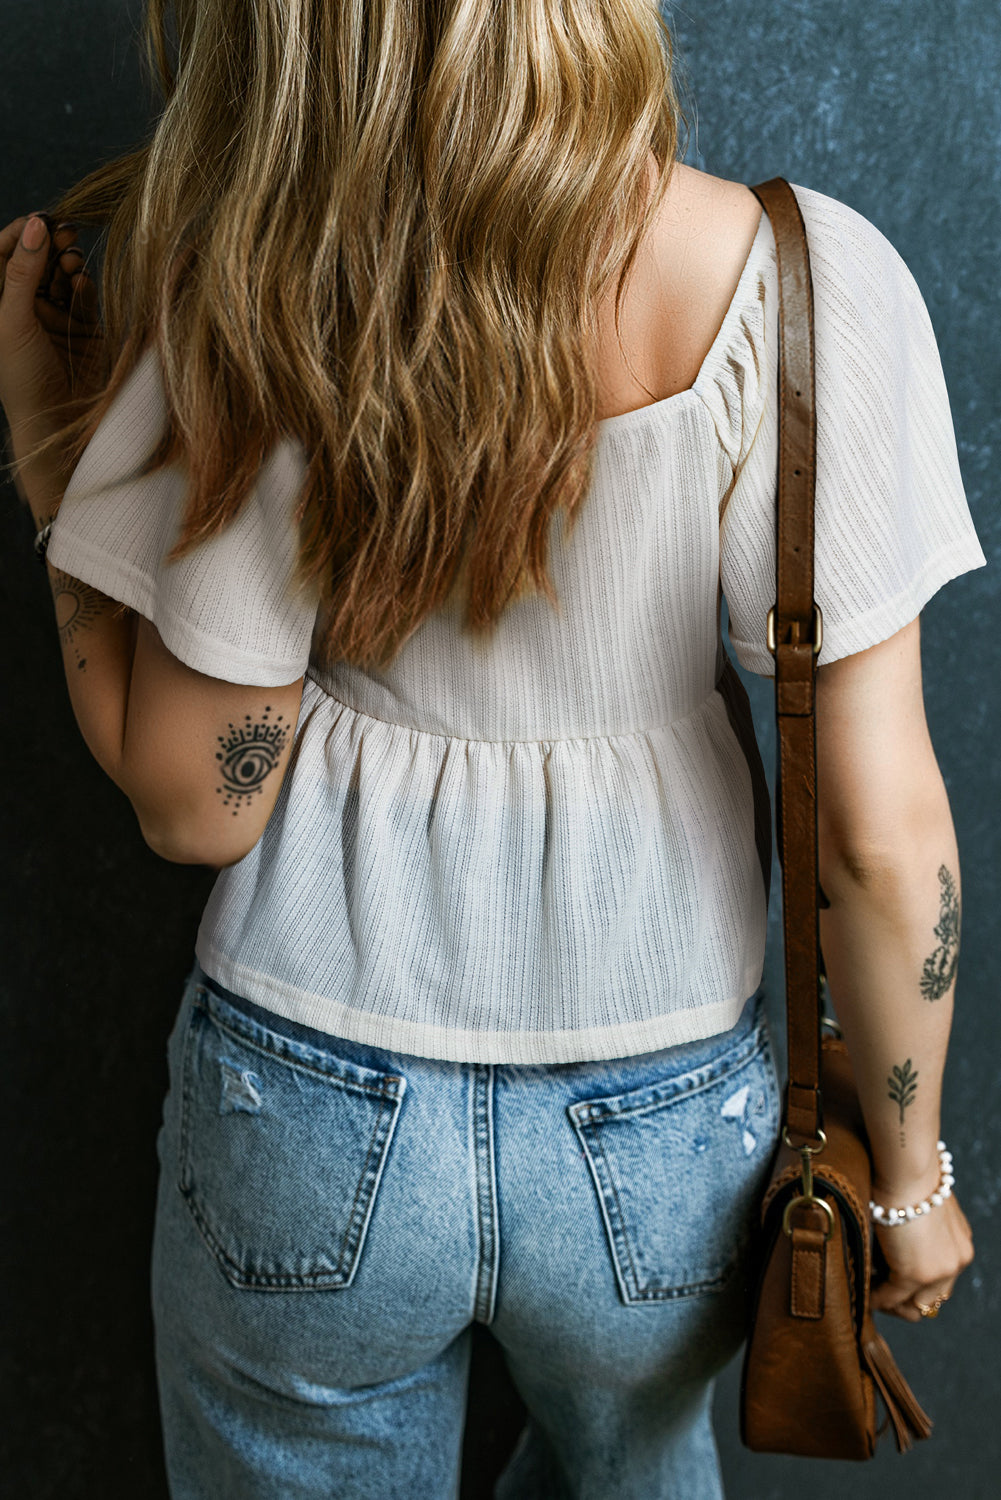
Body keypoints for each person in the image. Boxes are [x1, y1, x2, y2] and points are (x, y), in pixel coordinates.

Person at [0, 3, 981, 1496]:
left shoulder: (249, 293)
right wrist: (910, 1186)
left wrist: (55, 465)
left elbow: (199, 799)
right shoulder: (803, 284)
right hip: (661, 1133)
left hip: (308, 1103)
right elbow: (876, 833)